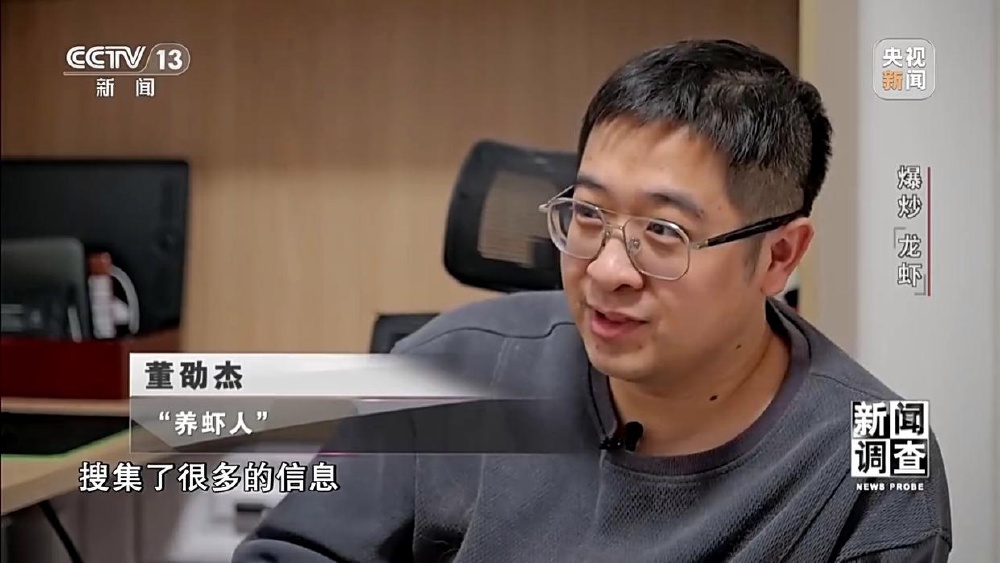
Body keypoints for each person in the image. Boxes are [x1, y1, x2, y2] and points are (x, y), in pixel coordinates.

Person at [232, 39, 951, 562]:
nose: (607, 270)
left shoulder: (877, 453)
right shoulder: (448, 366)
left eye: (664, 232)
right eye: (587, 213)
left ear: (779, 255)